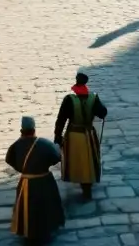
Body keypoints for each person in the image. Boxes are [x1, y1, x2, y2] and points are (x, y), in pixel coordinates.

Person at [6, 116, 66, 243]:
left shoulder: (15, 145)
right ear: (34, 129)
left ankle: (27, 230)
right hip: (44, 180)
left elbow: (9, 159)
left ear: (22, 129)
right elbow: (56, 157)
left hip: (26, 182)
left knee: (27, 207)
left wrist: (23, 169)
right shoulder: (44, 143)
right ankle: (46, 229)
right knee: (47, 205)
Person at [54, 71, 107, 200]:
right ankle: (88, 183)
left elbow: (61, 119)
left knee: (77, 160)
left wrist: (58, 136)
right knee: (89, 159)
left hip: (74, 134)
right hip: (89, 134)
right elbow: (103, 113)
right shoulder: (93, 97)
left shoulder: (69, 99)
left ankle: (79, 179)